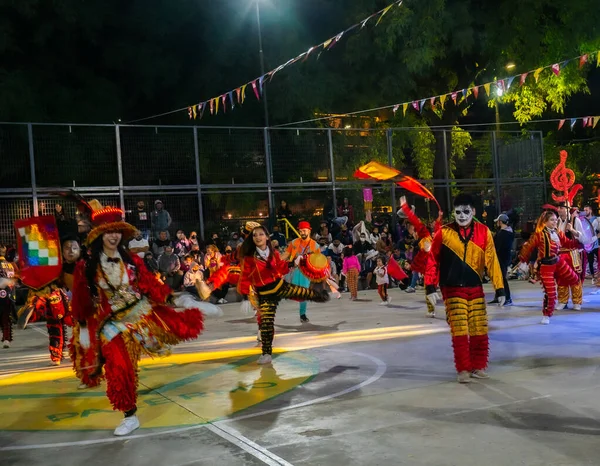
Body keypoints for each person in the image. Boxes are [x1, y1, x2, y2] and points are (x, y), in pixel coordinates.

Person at [69, 199, 221, 436]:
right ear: (99, 235)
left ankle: (195, 309)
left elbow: (151, 286)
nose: (113, 237)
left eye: (116, 232)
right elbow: (80, 298)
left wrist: (181, 301)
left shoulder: (132, 260)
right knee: (118, 367)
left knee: (182, 327)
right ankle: (130, 415)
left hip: (142, 313)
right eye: (108, 232)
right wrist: (84, 329)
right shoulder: (87, 266)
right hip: (112, 323)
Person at [425, 193, 505, 384]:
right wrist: (429, 287)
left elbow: (492, 261)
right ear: (453, 212)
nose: (462, 216)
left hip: (475, 287)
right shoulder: (443, 233)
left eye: (466, 211)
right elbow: (433, 260)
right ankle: (463, 369)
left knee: (479, 328)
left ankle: (478, 366)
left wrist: (500, 288)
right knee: (459, 329)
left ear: (474, 211)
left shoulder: (484, 232)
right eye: (458, 212)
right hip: (452, 289)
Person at [239, 225, 329, 364]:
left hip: (279, 286)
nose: (258, 237)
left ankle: (321, 296)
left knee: (303, 292)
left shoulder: (274, 253)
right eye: (255, 235)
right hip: (265, 294)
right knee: (267, 323)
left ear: (267, 237)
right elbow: (245, 277)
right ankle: (266, 353)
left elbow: (281, 267)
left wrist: (294, 263)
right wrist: (245, 296)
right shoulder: (250, 258)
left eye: (261, 234)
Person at [518, 209, 583, 324]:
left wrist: (577, 238)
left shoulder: (558, 232)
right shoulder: (539, 235)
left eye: (555, 220)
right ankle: (546, 315)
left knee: (575, 278)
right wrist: (523, 261)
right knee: (551, 293)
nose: (554, 222)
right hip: (546, 266)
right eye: (552, 220)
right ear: (545, 221)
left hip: (558, 262)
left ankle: (575, 301)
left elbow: (568, 243)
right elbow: (528, 247)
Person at [400, 196, 442, 317]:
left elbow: (415, 220)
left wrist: (404, 207)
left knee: (429, 285)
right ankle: (431, 309)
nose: (412, 234)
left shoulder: (423, 233)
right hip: (433, 264)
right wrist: (439, 217)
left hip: (431, 264)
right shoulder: (427, 238)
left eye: (412, 232)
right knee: (429, 285)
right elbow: (437, 228)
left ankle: (432, 304)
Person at [282, 221, 320, 323]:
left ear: (309, 230)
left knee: (303, 292)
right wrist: (277, 261)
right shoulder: (294, 242)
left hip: (306, 272)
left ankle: (302, 314)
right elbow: (286, 254)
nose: (302, 232)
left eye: (304, 230)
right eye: (300, 231)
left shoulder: (315, 245)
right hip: (294, 270)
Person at [556, 203, 588, 310]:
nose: (559, 210)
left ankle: (577, 301)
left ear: (567, 209)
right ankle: (562, 301)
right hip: (561, 254)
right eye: (558, 208)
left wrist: (572, 230)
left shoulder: (575, 221)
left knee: (574, 277)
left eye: (561, 208)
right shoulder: (557, 222)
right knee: (561, 278)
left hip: (573, 253)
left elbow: (583, 238)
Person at [490, 214, 515, 306]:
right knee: (498, 277)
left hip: (501, 258)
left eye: (498, 221)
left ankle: (507, 297)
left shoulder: (504, 234)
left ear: (500, 222)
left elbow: (498, 247)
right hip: (503, 258)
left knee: (501, 278)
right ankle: (498, 296)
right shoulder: (506, 232)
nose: (497, 223)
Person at [0, 245, 16, 348]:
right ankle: (6, 338)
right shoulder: (9, 264)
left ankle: (6, 337)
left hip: (1, 291)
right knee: (6, 317)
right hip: (9, 293)